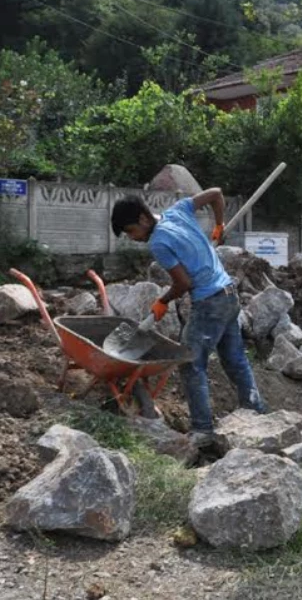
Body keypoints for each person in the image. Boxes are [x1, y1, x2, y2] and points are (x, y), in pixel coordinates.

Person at [111, 189, 267, 442]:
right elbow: (216, 193)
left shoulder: (159, 243)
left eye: (131, 231)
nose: (132, 238)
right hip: (229, 293)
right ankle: (256, 412)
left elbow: (183, 284)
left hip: (209, 303)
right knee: (235, 359)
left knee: (191, 364)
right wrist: (219, 223)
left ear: (142, 219)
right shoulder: (178, 211)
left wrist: (162, 301)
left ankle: (203, 430)